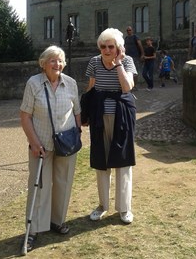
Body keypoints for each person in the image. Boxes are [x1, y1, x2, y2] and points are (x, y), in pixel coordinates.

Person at [20, 45, 81, 253]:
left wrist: (77, 134)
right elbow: (25, 116)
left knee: (63, 183)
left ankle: (57, 221)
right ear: (43, 63)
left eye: (60, 60)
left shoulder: (71, 83)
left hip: (66, 144)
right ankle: (34, 229)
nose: (57, 64)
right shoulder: (34, 83)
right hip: (41, 145)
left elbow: (77, 111)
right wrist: (34, 143)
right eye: (53, 60)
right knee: (39, 186)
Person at [83, 28, 137, 225]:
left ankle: (124, 208)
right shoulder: (94, 62)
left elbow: (127, 87)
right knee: (101, 160)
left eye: (111, 46)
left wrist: (118, 64)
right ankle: (102, 205)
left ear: (119, 48)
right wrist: (85, 113)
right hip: (99, 115)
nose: (106, 50)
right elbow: (91, 88)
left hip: (122, 115)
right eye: (103, 46)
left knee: (123, 161)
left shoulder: (127, 61)